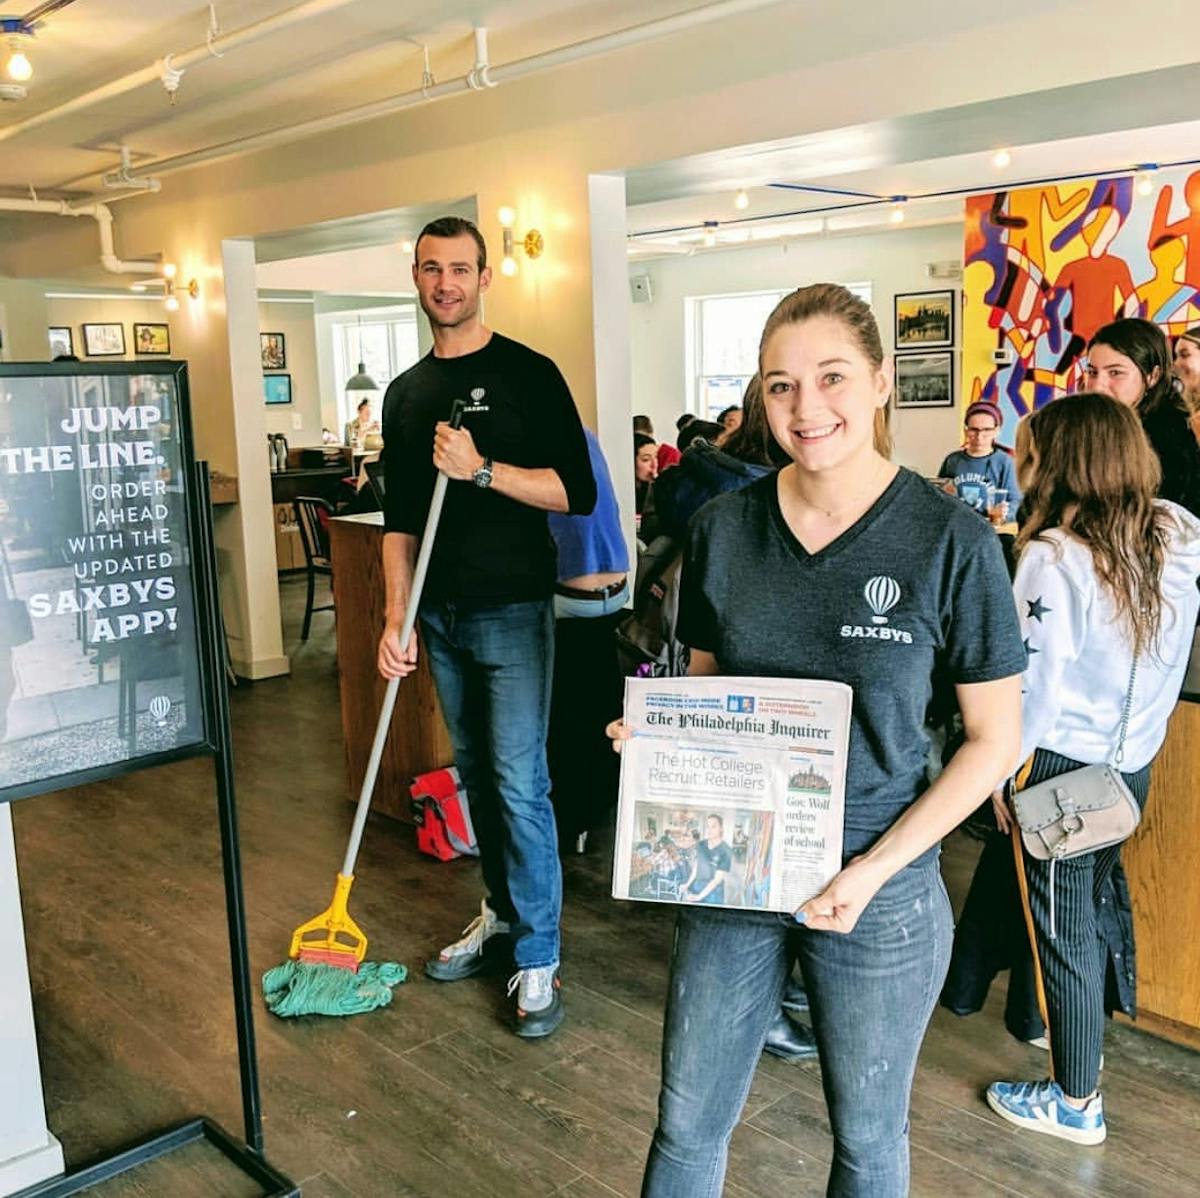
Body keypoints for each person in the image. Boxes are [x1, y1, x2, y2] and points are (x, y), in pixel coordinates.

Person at [612, 283, 1024, 1197]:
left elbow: (995, 740)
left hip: (881, 873)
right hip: (735, 860)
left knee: (870, 1143)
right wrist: (664, 737)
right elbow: (715, 684)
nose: (807, 408)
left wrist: (874, 870)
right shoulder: (725, 528)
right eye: (780, 385)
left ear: (880, 383)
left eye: (832, 377)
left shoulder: (952, 541)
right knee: (684, 1126)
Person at [378, 215, 596, 1040]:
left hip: (510, 608)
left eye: (461, 269)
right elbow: (402, 523)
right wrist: (396, 619)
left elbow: (576, 490)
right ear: (417, 276)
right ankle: (500, 917)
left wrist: (484, 471)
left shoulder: (529, 374)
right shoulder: (405, 394)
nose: (446, 284)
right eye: (432, 269)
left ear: (485, 276)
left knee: (517, 781)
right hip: (438, 614)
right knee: (476, 774)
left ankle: (538, 954)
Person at [986, 394, 1200, 1145]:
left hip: (1058, 768)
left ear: (1061, 462)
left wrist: (998, 771)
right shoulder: (1173, 534)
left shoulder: (1051, 559)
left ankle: (1076, 1100)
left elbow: (1029, 687)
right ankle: (1067, 1038)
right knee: (1086, 908)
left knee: (1063, 932)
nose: (1020, 464)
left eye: (1029, 451)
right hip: (1130, 763)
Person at [547, 427, 630, 854]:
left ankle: (564, 822)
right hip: (615, 596)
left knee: (560, 720)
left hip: (568, 602)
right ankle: (588, 819)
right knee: (596, 710)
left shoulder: (522, 446)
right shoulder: (586, 437)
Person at [1085, 317, 1200, 515]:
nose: (1097, 386)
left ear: (1153, 376)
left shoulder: (1168, 438)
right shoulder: (1088, 427)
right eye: (1092, 372)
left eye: (1115, 373)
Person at [937, 400, 1021, 519]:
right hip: (957, 525)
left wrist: (1005, 513)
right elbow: (938, 496)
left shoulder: (1005, 462)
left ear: (996, 431)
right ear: (966, 430)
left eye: (987, 430)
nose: (979, 436)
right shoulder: (953, 460)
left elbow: (1016, 502)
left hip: (992, 530)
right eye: (974, 430)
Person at [681, 814, 731, 904]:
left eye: (714, 826)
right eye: (708, 826)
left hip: (714, 894)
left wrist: (699, 897)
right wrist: (687, 884)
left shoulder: (726, 851)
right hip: (698, 888)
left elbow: (717, 880)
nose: (710, 830)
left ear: (721, 828)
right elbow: (697, 867)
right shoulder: (701, 845)